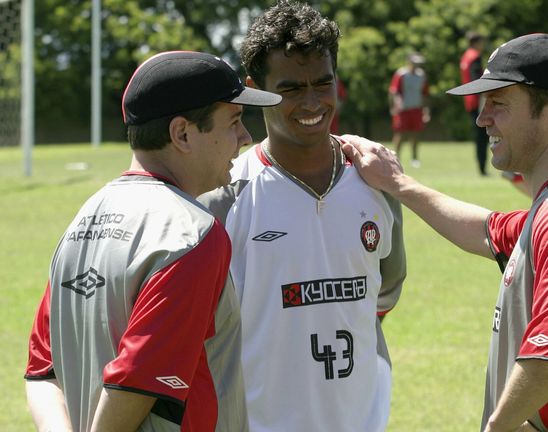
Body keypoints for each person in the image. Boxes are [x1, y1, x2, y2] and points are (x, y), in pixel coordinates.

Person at [342, 33, 548, 431]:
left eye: (498, 104)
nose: (482, 118)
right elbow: (488, 231)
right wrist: (397, 183)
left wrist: (497, 427)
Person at [23, 51, 281, 431]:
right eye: (235, 121)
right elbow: (135, 382)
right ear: (182, 134)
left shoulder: (82, 220)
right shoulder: (193, 234)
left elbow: (43, 372)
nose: (245, 137)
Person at [197, 2, 407, 431]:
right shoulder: (225, 196)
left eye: (323, 83)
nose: (311, 102)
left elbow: (383, 293)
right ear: (255, 89)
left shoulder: (377, 181)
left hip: (362, 418)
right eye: (291, 88)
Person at [389, 51, 430, 168]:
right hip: (403, 110)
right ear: (409, 62)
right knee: (400, 134)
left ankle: (415, 158)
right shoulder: (401, 74)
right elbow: (394, 91)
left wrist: (426, 110)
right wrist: (396, 105)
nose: (417, 65)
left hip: (416, 109)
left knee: (416, 134)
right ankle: (395, 158)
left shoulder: (422, 75)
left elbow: (425, 94)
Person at [461, 31, 489, 176]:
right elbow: (476, 79)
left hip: (469, 101)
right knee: (482, 136)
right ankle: (482, 168)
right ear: (476, 42)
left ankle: (481, 167)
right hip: (478, 101)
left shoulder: (466, 56)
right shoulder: (475, 57)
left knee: (479, 135)